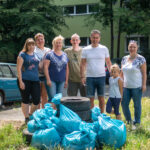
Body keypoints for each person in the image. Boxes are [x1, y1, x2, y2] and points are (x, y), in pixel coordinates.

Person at [80, 29, 112, 113]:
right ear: (90, 38)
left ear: (99, 38)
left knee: (101, 98)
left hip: (101, 77)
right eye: (93, 37)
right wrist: (82, 76)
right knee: (90, 99)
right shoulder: (85, 49)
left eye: (97, 38)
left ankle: (102, 115)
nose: (95, 39)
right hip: (89, 77)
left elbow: (108, 62)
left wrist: (112, 74)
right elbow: (82, 64)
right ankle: (92, 116)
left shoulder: (104, 48)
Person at [121, 40, 147, 129]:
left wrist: (144, 85)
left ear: (137, 48)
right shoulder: (124, 58)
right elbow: (121, 73)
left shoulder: (141, 59)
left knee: (137, 105)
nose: (132, 48)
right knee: (124, 104)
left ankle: (137, 122)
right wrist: (120, 84)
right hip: (125, 86)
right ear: (128, 47)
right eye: (130, 47)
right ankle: (129, 121)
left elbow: (144, 73)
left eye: (134, 47)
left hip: (137, 87)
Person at [17, 38, 40, 124]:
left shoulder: (36, 55)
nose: (31, 46)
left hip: (35, 80)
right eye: (29, 45)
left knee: (37, 100)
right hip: (25, 80)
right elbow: (18, 68)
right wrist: (20, 81)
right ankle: (26, 118)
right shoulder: (22, 54)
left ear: (34, 45)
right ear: (26, 46)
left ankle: (30, 114)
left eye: (32, 44)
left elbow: (39, 66)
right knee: (25, 99)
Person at [44, 35, 69, 103]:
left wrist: (66, 81)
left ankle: (58, 113)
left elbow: (67, 68)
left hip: (62, 81)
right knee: (52, 98)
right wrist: (48, 80)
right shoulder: (49, 54)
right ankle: (52, 113)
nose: (58, 44)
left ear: (62, 44)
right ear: (53, 44)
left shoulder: (65, 55)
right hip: (52, 80)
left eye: (60, 43)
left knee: (60, 99)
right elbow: (45, 68)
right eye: (57, 43)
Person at [34, 33, 50, 108]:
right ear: (35, 42)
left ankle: (43, 113)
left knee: (44, 96)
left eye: (41, 39)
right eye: (38, 40)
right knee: (36, 96)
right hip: (35, 76)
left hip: (45, 76)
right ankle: (37, 113)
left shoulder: (48, 50)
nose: (40, 41)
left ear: (44, 40)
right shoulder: (33, 50)